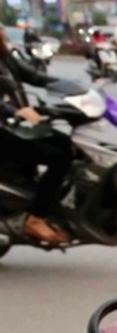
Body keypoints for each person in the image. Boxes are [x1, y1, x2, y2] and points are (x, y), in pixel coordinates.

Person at [0, 29, 72, 244]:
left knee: (68, 144)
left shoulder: (6, 57)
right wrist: (13, 112)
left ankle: (52, 202)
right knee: (59, 157)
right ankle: (36, 218)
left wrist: (73, 88)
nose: (2, 32)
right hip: (5, 129)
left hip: (19, 126)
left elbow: (35, 77)